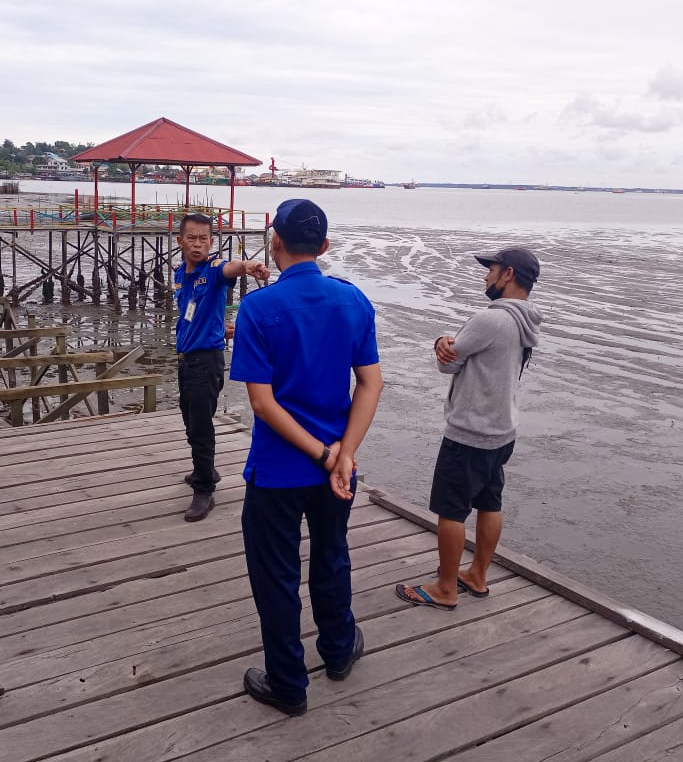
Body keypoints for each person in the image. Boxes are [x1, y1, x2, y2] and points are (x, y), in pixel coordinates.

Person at [230, 199, 383, 716]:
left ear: (274, 243)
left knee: (275, 574)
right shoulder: (353, 300)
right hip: (339, 468)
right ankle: (339, 651)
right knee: (332, 553)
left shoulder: (258, 308)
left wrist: (322, 453)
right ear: (324, 247)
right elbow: (370, 383)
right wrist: (344, 454)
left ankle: (289, 683)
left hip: (278, 469)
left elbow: (262, 403)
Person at [396, 247, 542, 610]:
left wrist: (441, 343)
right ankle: (477, 575)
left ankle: (445, 588)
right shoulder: (527, 322)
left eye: (490, 270)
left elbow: (449, 364)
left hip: (470, 432)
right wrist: (450, 346)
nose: (485, 276)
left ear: (508, 274)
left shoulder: (491, 319)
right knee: (490, 502)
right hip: (502, 429)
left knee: (451, 510)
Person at [174, 212, 269, 522]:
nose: (198, 244)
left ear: (211, 242)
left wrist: (249, 266)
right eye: (192, 238)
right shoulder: (179, 274)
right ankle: (206, 469)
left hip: (206, 362)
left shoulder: (214, 270)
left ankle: (204, 491)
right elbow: (193, 314)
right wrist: (221, 326)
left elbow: (232, 268)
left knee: (201, 427)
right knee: (190, 422)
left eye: (204, 238)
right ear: (180, 241)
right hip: (185, 361)